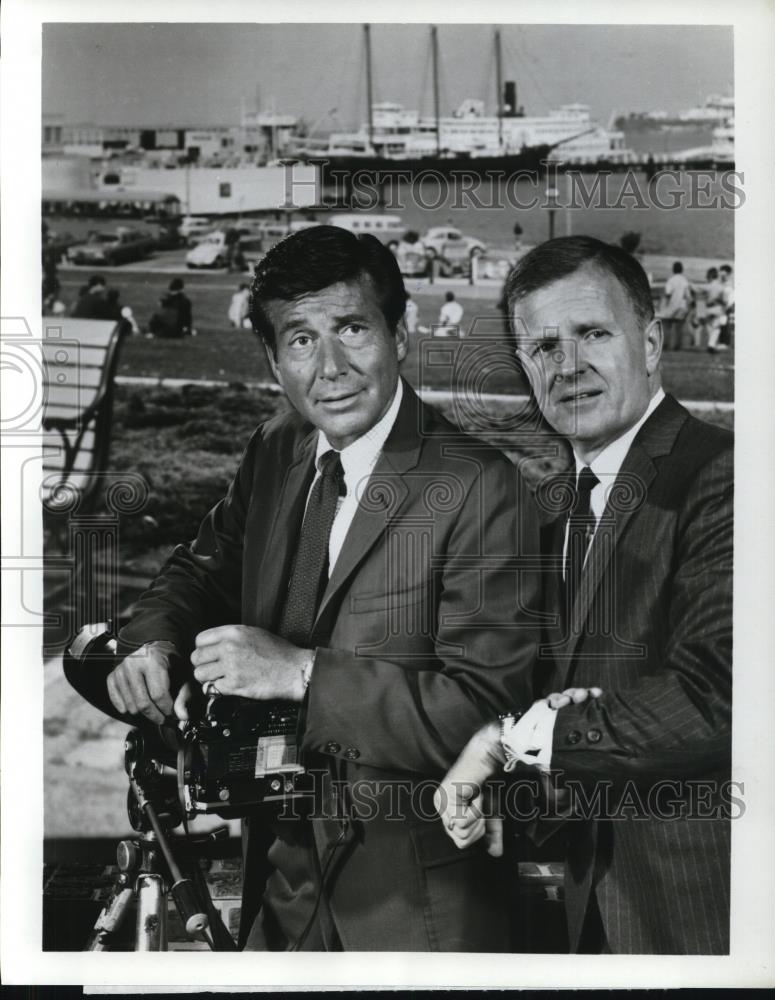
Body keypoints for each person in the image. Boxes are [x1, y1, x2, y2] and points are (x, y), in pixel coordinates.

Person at [107, 225, 541, 952]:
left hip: (416, 912)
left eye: (351, 328)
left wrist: (300, 674)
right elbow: (200, 569)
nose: (331, 367)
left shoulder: (479, 486)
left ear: (399, 335)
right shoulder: (277, 448)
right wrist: (157, 640)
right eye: (302, 340)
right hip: (279, 892)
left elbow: (487, 713)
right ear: (274, 362)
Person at [436, 235, 732, 955]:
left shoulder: (723, 478)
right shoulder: (549, 509)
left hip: (708, 914)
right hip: (585, 912)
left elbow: (717, 694)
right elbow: (545, 689)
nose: (566, 366)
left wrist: (514, 740)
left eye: (592, 334)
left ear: (652, 342)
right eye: (540, 348)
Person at [659, 261, 693, 351]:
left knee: (666, 326)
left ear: (673, 269)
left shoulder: (671, 280)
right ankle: (677, 346)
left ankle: (665, 344)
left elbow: (668, 293)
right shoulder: (684, 280)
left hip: (672, 305)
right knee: (679, 327)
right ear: (682, 270)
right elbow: (688, 295)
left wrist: (663, 305)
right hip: (682, 306)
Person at [703, 266, 726, 353]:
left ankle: (711, 344)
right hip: (717, 308)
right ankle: (711, 345)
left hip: (708, 309)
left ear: (710, 276)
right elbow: (724, 300)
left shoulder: (707, 286)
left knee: (709, 327)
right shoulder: (721, 287)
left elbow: (702, 296)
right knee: (716, 328)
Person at [718, 264, 734, 348]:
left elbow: (730, 297)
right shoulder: (723, 283)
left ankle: (724, 343)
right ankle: (722, 342)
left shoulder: (729, 285)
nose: (721, 275)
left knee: (724, 324)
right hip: (723, 306)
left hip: (726, 306)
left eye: (722, 274)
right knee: (722, 324)